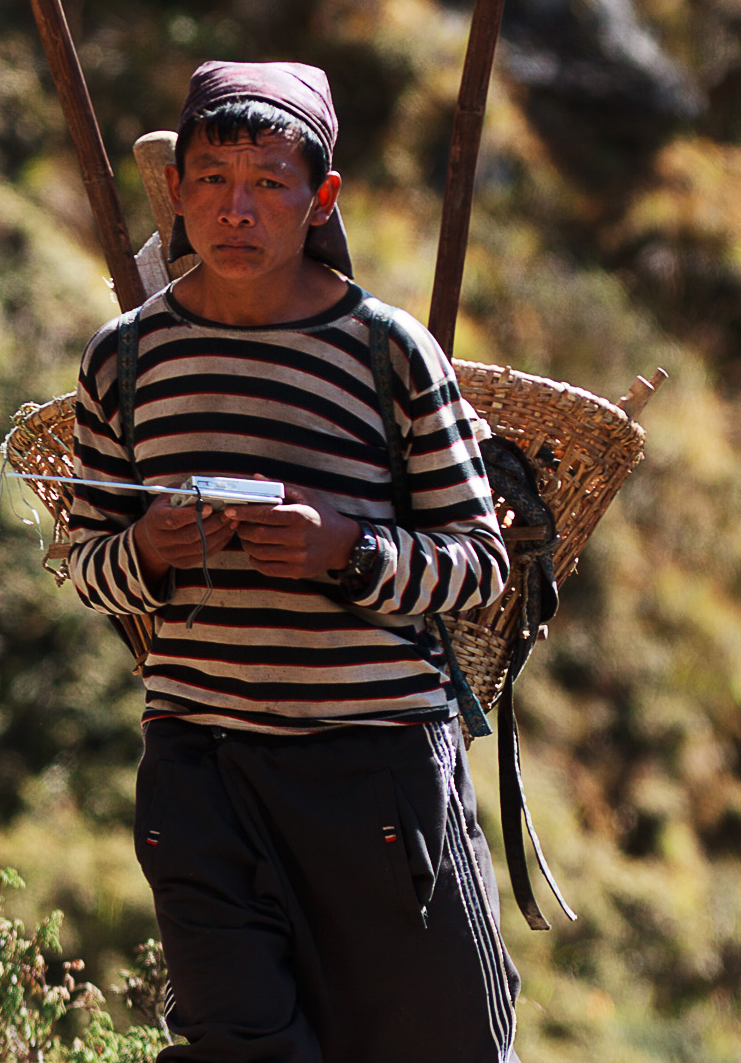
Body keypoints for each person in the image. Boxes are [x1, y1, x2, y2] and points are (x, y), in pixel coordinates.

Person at [67, 60, 519, 1061]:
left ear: (321, 199)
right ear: (177, 191)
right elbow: (86, 561)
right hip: (199, 771)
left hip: (377, 775)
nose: (237, 209)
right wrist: (148, 549)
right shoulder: (125, 360)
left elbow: (480, 563)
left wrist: (345, 550)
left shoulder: (388, 353)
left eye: (269, 184)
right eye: (212, 181)